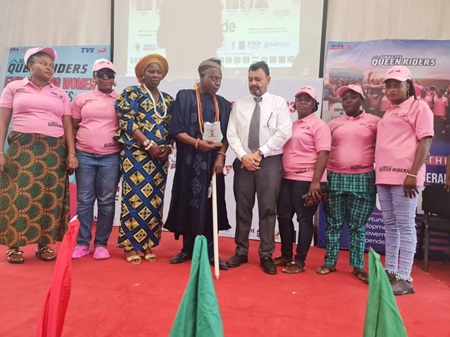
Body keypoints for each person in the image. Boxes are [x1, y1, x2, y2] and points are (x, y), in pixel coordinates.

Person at [0, 46, 78, 264]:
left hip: (54, 149)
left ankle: (44, 245)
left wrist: (71, 153)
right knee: (19, 194)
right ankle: (14, 246)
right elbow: (3, 121)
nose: (49, 67)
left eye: (51, 65)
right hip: (23, 147)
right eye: (43, 63)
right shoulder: (14, 88)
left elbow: (68, 126)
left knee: (48, 196)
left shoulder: (60, 93)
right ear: (30, 65)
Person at [165, 58, 231, 271]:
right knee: (187, 203)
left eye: (220, 79)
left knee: (211, 207)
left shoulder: (222, 103)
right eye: (213, 78)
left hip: (212, 164)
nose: (217, 83)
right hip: (189, 161)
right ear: (201, 77)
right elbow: (175, 129)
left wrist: (221, 156)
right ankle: (187, 249)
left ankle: (211, 252)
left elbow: (228, 135)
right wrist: (196, 143)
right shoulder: (184, 97)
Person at [226, 61, 292, 275]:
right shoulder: (240, 105)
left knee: (267, 209)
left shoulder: (279, 104)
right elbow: (232, 134)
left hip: (269, 162)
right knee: (242, 208)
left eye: (258, 79)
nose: (254, 83)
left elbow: (283, 133)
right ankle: (241, 250)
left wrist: (260, 152)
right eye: (250, 79)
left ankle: (266, 254)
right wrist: (244, 156)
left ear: (268, 80)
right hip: (244, 162)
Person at [376, 65, 433, 295]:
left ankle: (405, 278)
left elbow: (425, 141)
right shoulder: (389, 111)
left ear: (408, 85)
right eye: (388, 85)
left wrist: (412, 173)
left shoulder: (420, 107)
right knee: (390, 225)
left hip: (405, 178)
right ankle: (390, 273)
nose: (391, 89)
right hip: (384, 176)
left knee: (405, 226)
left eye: (396, 84)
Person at [316, 85, 380, 283]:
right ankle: (330, 262)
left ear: (362, 100)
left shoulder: (375, 122)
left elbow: (387, 146)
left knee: (357, 226)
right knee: (333, 223)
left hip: (363, 178)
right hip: (335, 177)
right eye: (345, 98)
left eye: (353, 97)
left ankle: (358, 266)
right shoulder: (333, 123)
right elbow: (324, 151)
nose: (348, 100)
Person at [114, 54, 174, 264]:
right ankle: (130, 246)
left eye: (159, 72)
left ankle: (147, 243)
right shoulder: (132, 93)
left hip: (159, 158)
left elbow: (171, 129)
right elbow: (127, 122)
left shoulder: (168, 99)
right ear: (142, 74)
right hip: (136, 155)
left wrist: (167, 148)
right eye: (151, 71)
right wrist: (148, 145)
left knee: (154, 201)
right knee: (135, 199)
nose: (155, 75)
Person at [275, 86, 331, 274]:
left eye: (307, 99)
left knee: (304, 220)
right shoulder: (291, 125)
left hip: (308, 181)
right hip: (287, 179)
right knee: (283, 217)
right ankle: (285, 255)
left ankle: (299, 261)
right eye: (299, 99)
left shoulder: (319, 125)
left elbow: (323, 153)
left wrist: (316, 181)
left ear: (315, 104)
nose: (302, 102)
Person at [71, 59, 120, 260]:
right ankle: (82, 243)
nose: (106, 78)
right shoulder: (81, 99)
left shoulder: (121, 99)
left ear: (114, 78)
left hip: (111, 157)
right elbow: (73, 127)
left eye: (109, 74)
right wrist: (72, 154)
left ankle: (101, 244)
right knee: (84, 201)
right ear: (94, 77)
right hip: (84, 155)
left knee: (107, 201)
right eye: (101, 74)